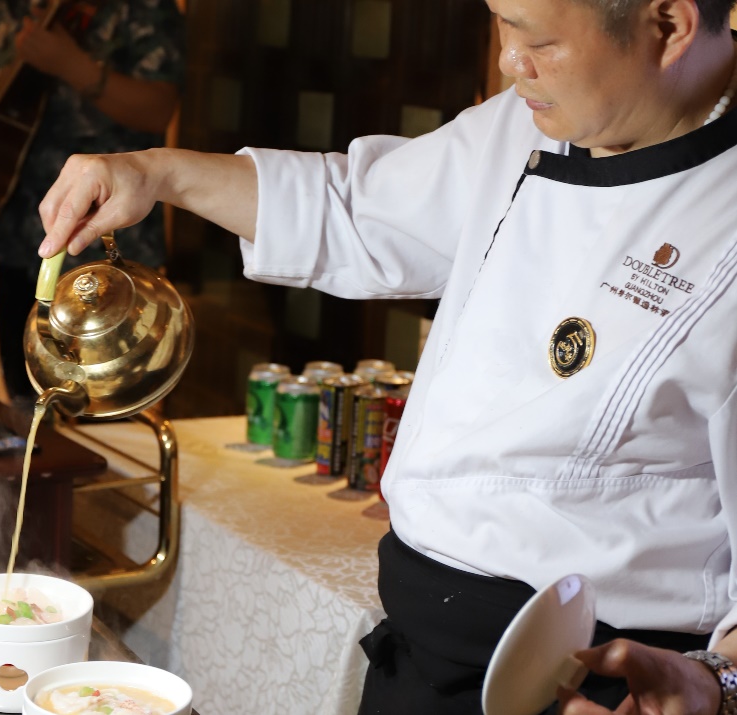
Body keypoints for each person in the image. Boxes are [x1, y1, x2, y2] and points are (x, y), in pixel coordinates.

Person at [37, 0, 737, 712]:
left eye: (541, 40)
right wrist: (153, 174)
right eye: (501, 21)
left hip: (604, 684)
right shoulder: (526, 120)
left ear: (669, 26)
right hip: (423, 655)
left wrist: (718, 681)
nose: (506, 60)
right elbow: (352, 208)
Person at [0, 0, 184, 408]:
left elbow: (158, 110)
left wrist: (72, 66)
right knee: (27, 395)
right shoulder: (0, 13)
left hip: (107, 250)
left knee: (109, 402)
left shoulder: (142, 10)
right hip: (15, 239)